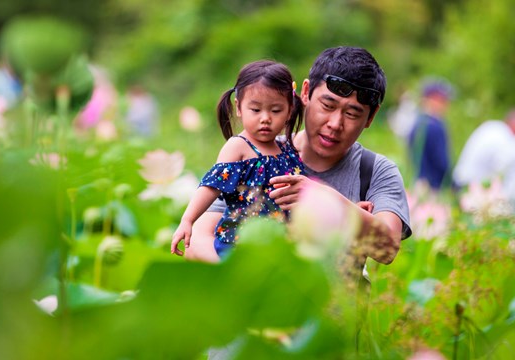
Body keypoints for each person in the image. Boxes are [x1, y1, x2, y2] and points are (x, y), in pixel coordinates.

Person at [185, 47, 411, 268]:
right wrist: (238, 280)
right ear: (305, 93)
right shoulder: (257, 154)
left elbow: (388, 248)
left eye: (352, 114)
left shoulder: (376, 171)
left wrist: (328, 204)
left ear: (371, 117)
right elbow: (196, 238)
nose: (335, 124)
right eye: (327, 105)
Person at [170, 60, 305, 258]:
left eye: (275, 110)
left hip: (280, 246)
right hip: (239, 245)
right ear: (239, 108)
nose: (265, 118)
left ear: (289, 110)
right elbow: (211, 186)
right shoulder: (238, 147)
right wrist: (188, 220)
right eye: (256, 110)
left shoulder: (287, 148)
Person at [452, 107, 515, 188]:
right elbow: (501, 171)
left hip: (459, 179)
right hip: (470, 187)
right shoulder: (505, 137)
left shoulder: (492, 126)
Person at [407, 79, 454, 192]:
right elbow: (442, 163)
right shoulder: (436, 126)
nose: (446, 105)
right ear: (432, 100)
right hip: (435, 188)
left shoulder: (417, 123)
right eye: (443, 100)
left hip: (419, 184)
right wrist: (454, 186)